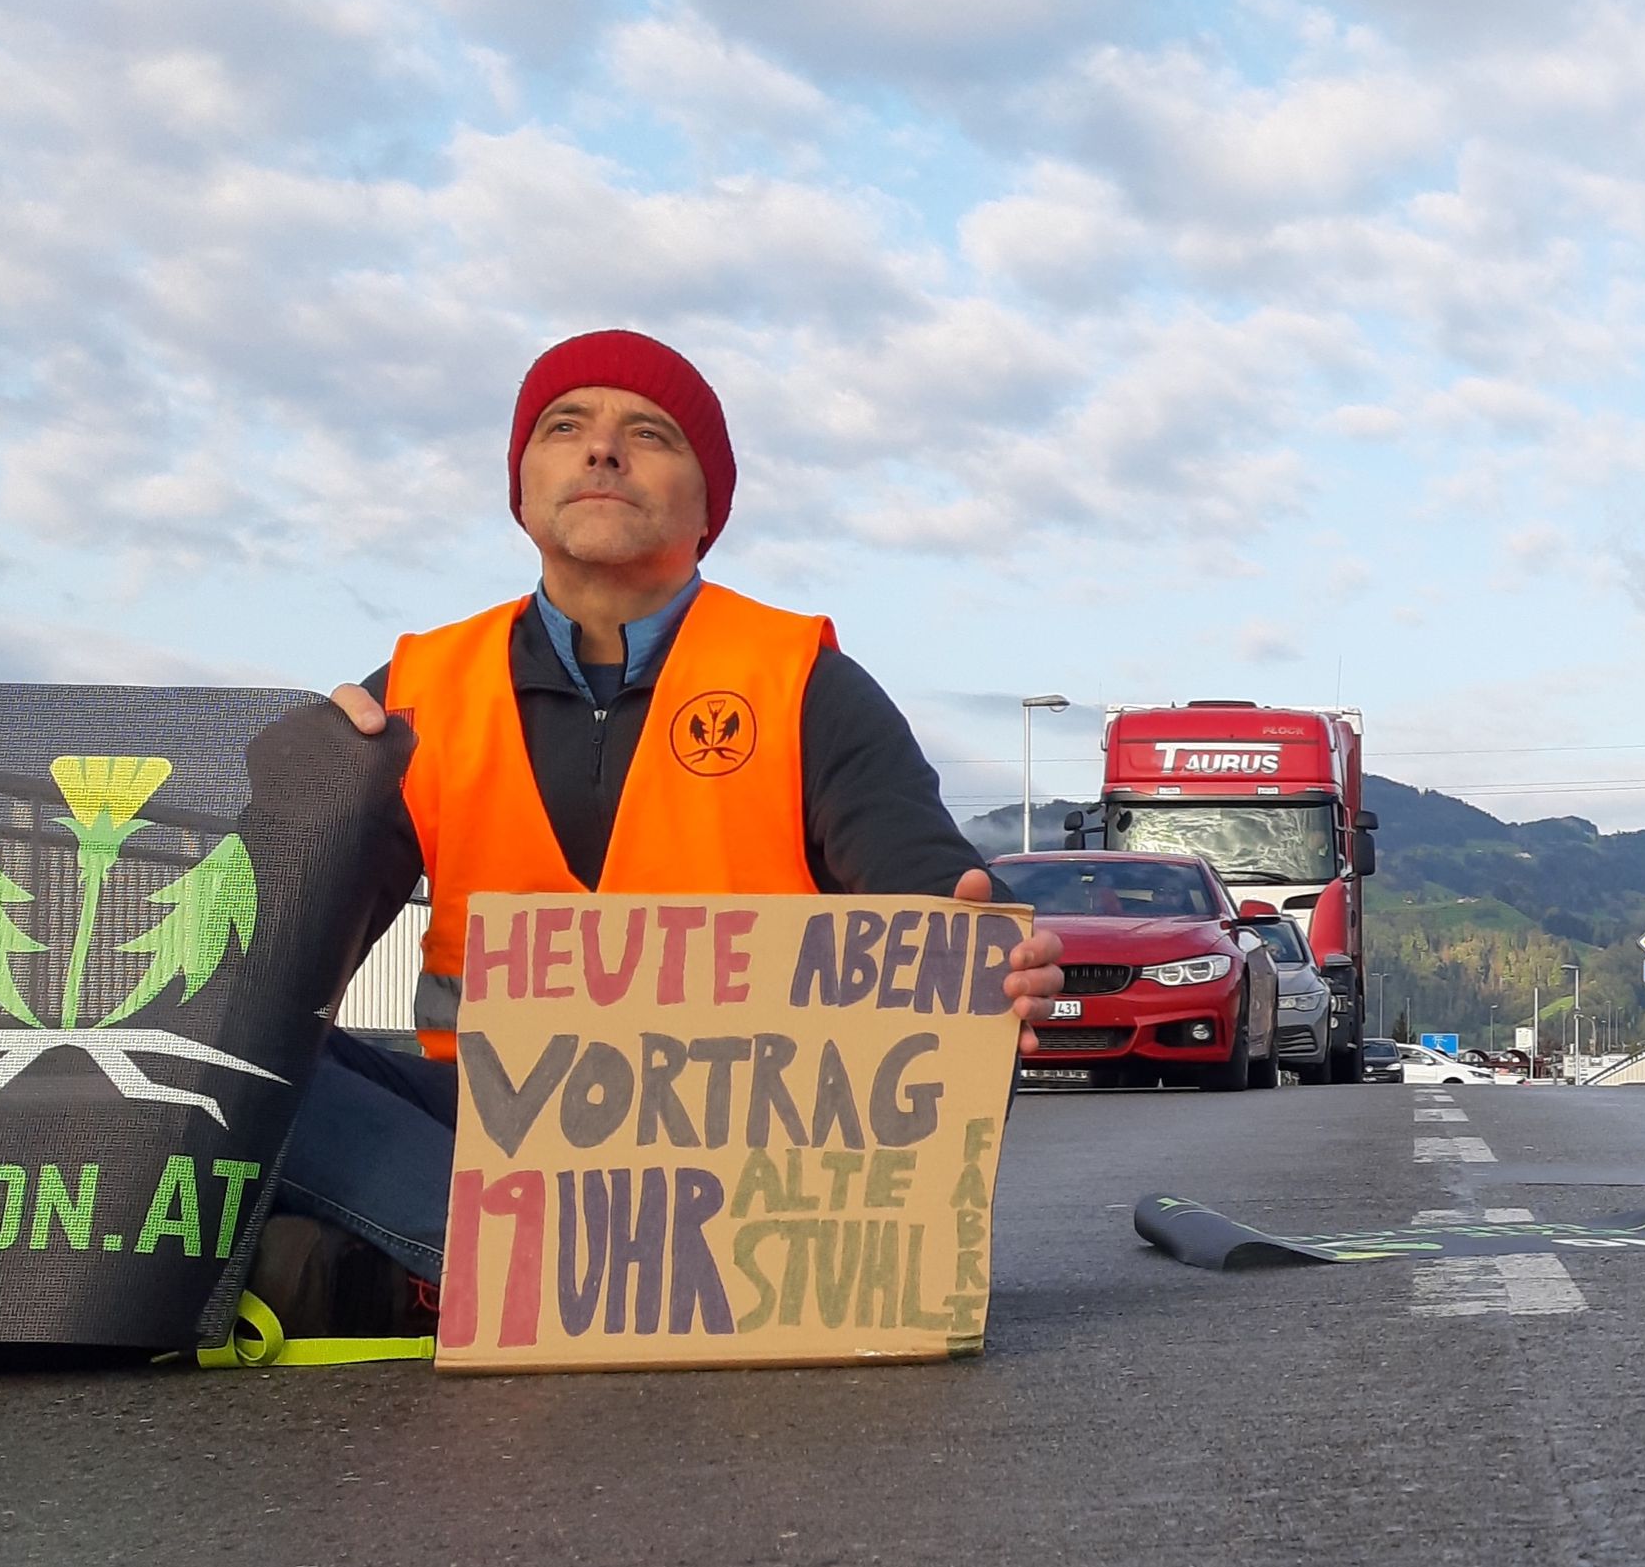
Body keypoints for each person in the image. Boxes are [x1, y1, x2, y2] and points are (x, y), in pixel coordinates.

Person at [261, 329, 1064, 1329]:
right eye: (566, 427)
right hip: (493, 1138)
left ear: (707, 509)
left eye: (648, 432)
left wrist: (995, 956)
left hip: (756, 1158)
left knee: (972, 1029)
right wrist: (295, 777)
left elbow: (940, 905)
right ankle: (579, 1277)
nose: (602, 450)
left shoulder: (803, 683)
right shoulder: (417, 698)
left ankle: (470, 1276)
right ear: (521, 488)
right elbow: (265, 955)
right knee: (248, 1064)